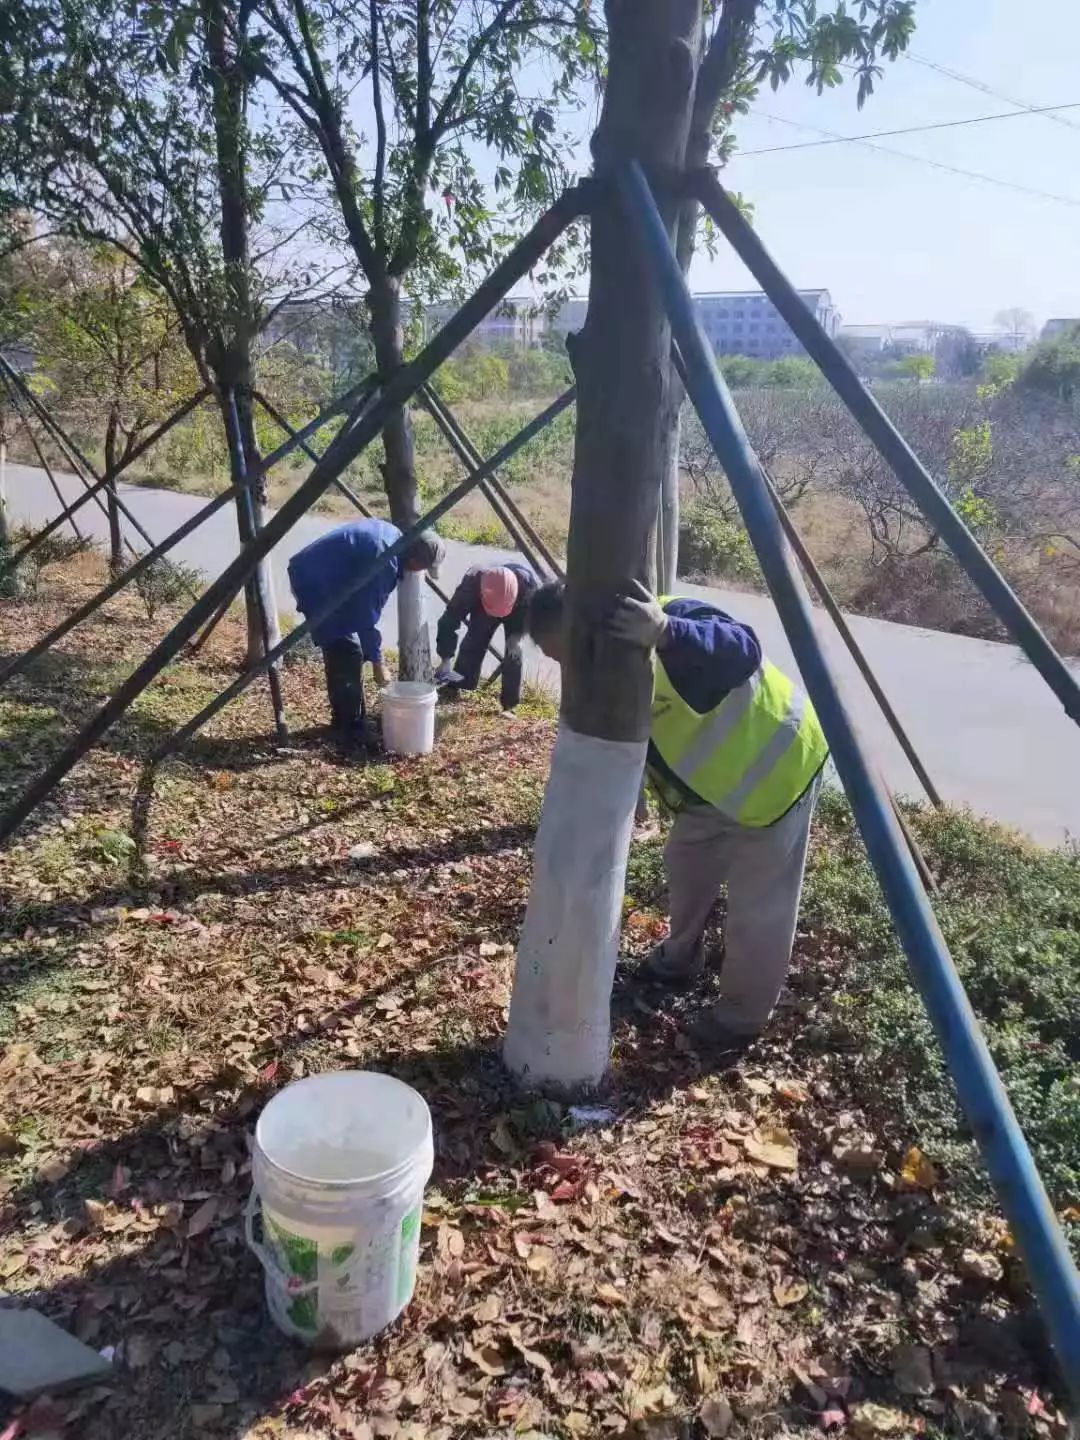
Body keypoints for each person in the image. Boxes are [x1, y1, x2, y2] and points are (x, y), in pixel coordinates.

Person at [526, 579, 829, 1056]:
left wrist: (667, 632)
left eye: (560, 654)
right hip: (710, 794)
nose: (563, 667)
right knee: (686, 867)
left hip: (776, 773)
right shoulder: (603, 663)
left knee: (759, 909)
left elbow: (742, 648)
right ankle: (680, 958)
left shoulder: (666, 619)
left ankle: (740, 1018)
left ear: (581, 630)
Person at [288, 517, 444, 741]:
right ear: (415, 559)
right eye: (425, 567)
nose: (422, 571)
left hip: (328, 579)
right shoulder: (384, 562)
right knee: (346, 651)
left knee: (348, 650)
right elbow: (365, 617)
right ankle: (348, 729)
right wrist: (378, 663)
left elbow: (363, 609)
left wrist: (372, 656)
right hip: (314, 583)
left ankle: (351, 717)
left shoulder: (393, 538)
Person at [434, 563, 538, 713]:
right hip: (486, 607)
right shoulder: (472, 583)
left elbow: (532, 617)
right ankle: (457, 685)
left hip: (517, 609)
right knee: (474, 640)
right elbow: (449, 620)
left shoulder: (528, 587)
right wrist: (445, 658)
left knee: (514, 652)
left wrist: (517, 637)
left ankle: (509, 705)